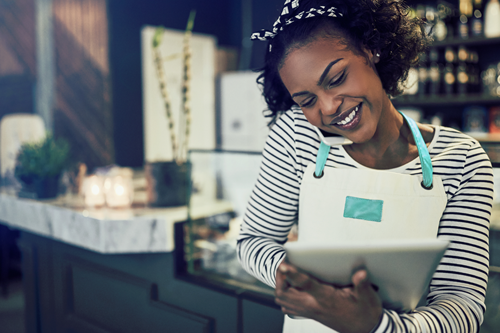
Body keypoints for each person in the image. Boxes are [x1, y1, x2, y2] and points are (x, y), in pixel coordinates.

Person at [236, 0, 494, 332]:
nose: (328, 108)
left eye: (337, 78)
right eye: (307, 101)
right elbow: (254, 241)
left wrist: (375, 325)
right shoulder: (297, 135)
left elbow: (461, 304)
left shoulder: (462, 160)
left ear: (371, 48)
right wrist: (306, 285)